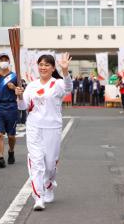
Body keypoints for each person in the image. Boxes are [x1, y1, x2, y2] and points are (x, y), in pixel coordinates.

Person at [15, 53, 73, 211]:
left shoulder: (58, 83)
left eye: (47, 64)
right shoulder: (32, 86)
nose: (43, 67)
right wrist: (19, 96)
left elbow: (69, 88)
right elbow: (22, 107)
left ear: (53, 68)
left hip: (52, 128)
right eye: (41, 64)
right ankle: (38, 197)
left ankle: (49, 184)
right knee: (37, 163)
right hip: (34, 127)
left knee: (50, 165)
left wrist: (66, 71)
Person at [0, 53, 18, 168]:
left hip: (11, 106)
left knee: (11, 135)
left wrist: (14, 88)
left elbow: (21, 92)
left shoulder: (15, 76)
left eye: (6, 59)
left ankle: (11, 150)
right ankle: (0, 157)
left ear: (9, 62)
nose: (3, 61)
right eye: (1, 59)